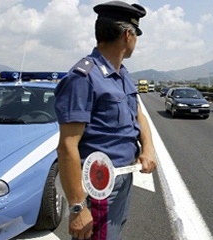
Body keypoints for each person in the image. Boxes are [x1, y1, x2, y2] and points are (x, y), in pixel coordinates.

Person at [54, 1, 157, 239]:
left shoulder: (121, 74)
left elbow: (138, 114)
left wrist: (148, 147)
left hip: (122, 179)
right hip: (98, 186)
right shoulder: (83, 77)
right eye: (136, 34)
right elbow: (67, 146)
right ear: (128, 35)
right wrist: (78, 207)